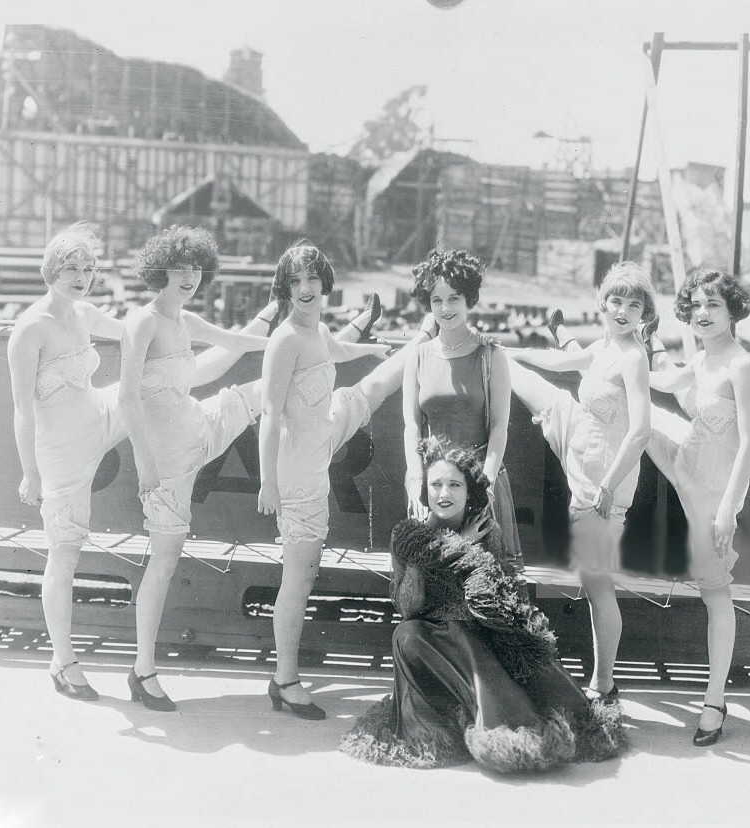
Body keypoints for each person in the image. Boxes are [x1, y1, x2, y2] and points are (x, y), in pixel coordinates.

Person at [340, 437, 625, 773]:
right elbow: (408, 609)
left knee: (550, 695)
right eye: (436, 485)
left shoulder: (488, 531)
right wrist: (435, 553)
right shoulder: (407, 535)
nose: (444, 494)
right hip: (428, 636)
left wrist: (469, 552)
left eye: (454, 485)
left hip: (481, 630)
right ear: (425, 490)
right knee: (407, 633)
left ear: (468, 491)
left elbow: (497, 598)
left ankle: (512, 720)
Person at [117, 225, 284, 711]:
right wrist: (145, 463)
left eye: (196, 268)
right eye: (180, 268)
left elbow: (234, 346)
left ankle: (347, 335)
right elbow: (128, 398)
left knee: (267, 388)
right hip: (165, 461)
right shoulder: (142, 322)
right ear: (160, 270)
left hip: (198, 430)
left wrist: (280, 315)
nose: (189, 277)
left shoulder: (185, 321)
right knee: (164, 563)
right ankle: (142, 669)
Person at [256, 240, 421, 720]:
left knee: (304, 573)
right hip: (296, 468)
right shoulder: (284, 339)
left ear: (324, 283)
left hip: (320, 447)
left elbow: (337, 350)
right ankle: (284, 679)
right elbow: (268, 414)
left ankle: (420, 342)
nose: (306, 289)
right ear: (285, 289)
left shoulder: (318, 330)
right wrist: (269, 482)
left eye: (312, 279)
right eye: (295, 281)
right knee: (299, 576)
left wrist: (371, 345)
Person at [503, 262, 653, 707]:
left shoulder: (633, 357)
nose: (623, 311)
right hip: (582, 464)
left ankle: (604, 685)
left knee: (597, 584)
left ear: (644, 312)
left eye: (634, 304)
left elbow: (641, 430)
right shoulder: (604, 348)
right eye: (616, 301)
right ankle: (602, 681)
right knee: (592, 584)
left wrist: (608, 486)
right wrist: (509, 354)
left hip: (605, 484)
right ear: (603, 305)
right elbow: (561, 360)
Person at [7, 223, 128, 700]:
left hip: (97, 417)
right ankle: (63, 660)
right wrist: (30, 472)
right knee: (66, 552)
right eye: (71, 268)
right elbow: (22, 409)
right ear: (50, 270)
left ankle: (257, 329)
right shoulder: (30, 329)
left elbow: (138, 332)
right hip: (60, 452)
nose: (81, 277)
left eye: (88, 268)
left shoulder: (85, 312)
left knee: (162, 383)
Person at [645, 268, 750, 746]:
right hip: (684, 469)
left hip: (714, 496)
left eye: (714, 304)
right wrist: (633, 346)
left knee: (716, 592)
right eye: (695, 305)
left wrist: (729, 510)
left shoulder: (740, 365)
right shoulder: (702, 358)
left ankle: (715, 699)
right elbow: (667, 383)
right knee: (631, 417)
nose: (703, 314)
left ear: (733, 310)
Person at [402, 248, 524, 579]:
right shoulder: (417, 356)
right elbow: (411, 426)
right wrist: (415, 478)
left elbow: (500, 428)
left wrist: (484, 481)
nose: (445, 308)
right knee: (431, 584)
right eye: (437, 300)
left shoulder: (491, 355)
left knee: (485, 590)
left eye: (454, 298)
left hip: (479, 487)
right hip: (435, 489)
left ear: (469, 299)